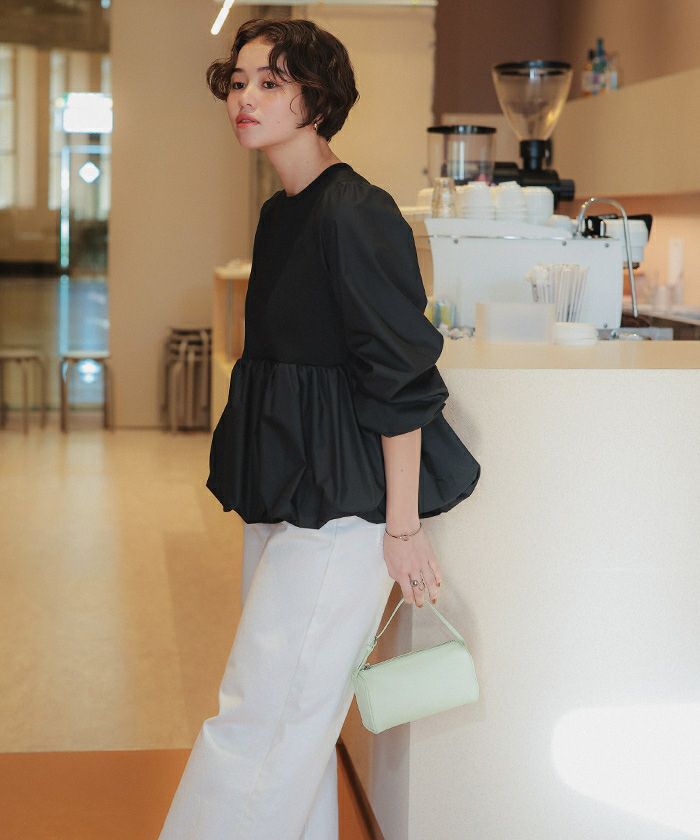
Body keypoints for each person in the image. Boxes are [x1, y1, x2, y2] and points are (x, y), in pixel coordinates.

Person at [157, 18, 480, 840]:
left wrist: (401, 528)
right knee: (289, 722)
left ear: (318, 99)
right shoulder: (282, 213)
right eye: (238, 81)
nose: (246, 97)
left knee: (261, 718)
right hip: (289, 490)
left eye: (271, 82)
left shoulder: (356, 212)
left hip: (345, 508)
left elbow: (398, 375)